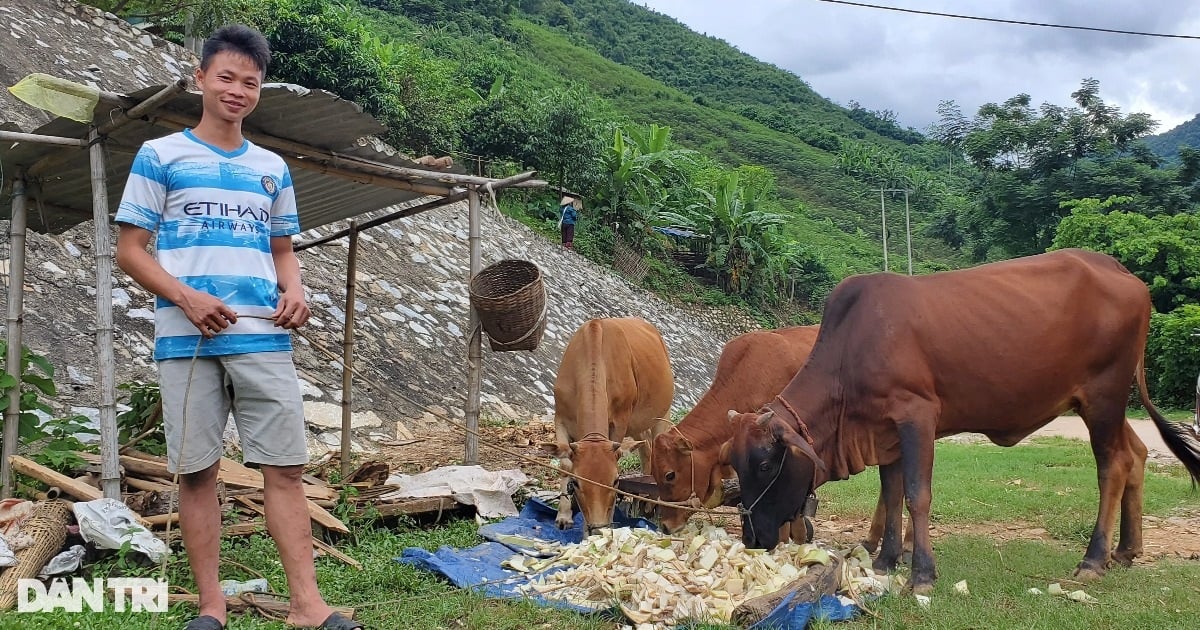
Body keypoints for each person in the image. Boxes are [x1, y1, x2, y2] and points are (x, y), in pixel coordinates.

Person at [114, 24, 363, 630]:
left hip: (263, 336)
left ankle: (308, 607)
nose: (237, 90)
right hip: (186, 338)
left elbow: (282, 250)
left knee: (284, 469)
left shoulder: (271, 168)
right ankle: (211, 608)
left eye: (249, 82)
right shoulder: (161, 156)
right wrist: (186, 297)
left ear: (259, 91)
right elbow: (130, 248)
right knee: (198, 473)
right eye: (225, 77)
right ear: (200, 79)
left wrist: (296, 290)